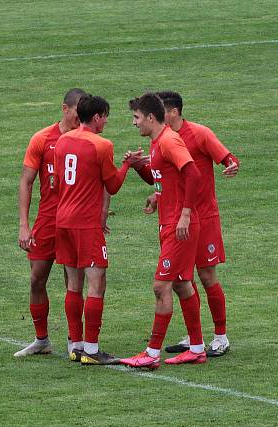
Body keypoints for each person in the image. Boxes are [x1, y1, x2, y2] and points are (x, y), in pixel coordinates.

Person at [119, 93, 206, 370]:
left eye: (136, 118)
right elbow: (167, 178)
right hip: (169, 223)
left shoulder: (169, 141)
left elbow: (193, 173)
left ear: (150, 117)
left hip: (179, 226)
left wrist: (185, 214)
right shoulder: (156, 143)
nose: (134, 123)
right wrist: (157, 194)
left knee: (161, 286)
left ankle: (151, 353)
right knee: (181, 284)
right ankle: (197, 348)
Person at [155, 91, 240, 357]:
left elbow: (227, 158)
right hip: (181, 219)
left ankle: (221, 336)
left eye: (162, 111)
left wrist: (231, 165)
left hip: (203, 216)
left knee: (206, 275)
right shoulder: (163, 139)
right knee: (182, 279)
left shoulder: (200, 134)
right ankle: (195, 339)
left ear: (174, 112)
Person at [54, 94, 134, 365]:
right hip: (86, 224)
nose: (107, 121)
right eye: (106, 116)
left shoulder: (62, 140)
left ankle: (75, 346)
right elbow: (112, 186)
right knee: (96, 283)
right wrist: (128, 165)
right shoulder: (102, 145)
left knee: (73, 285)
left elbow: (57, 183)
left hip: (62, 220)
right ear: (97, 116)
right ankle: (91, 349)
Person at [14, 88, 86, 358]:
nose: (82, 115)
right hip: (47, 220)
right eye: (79, 109)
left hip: (75, 221)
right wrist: (24, 224)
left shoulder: (89, 139)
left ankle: (74, 339)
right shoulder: (42, 139)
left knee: (74, 281)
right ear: (65, 108)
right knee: (36, 280)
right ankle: (41, 339)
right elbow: (26, 181)